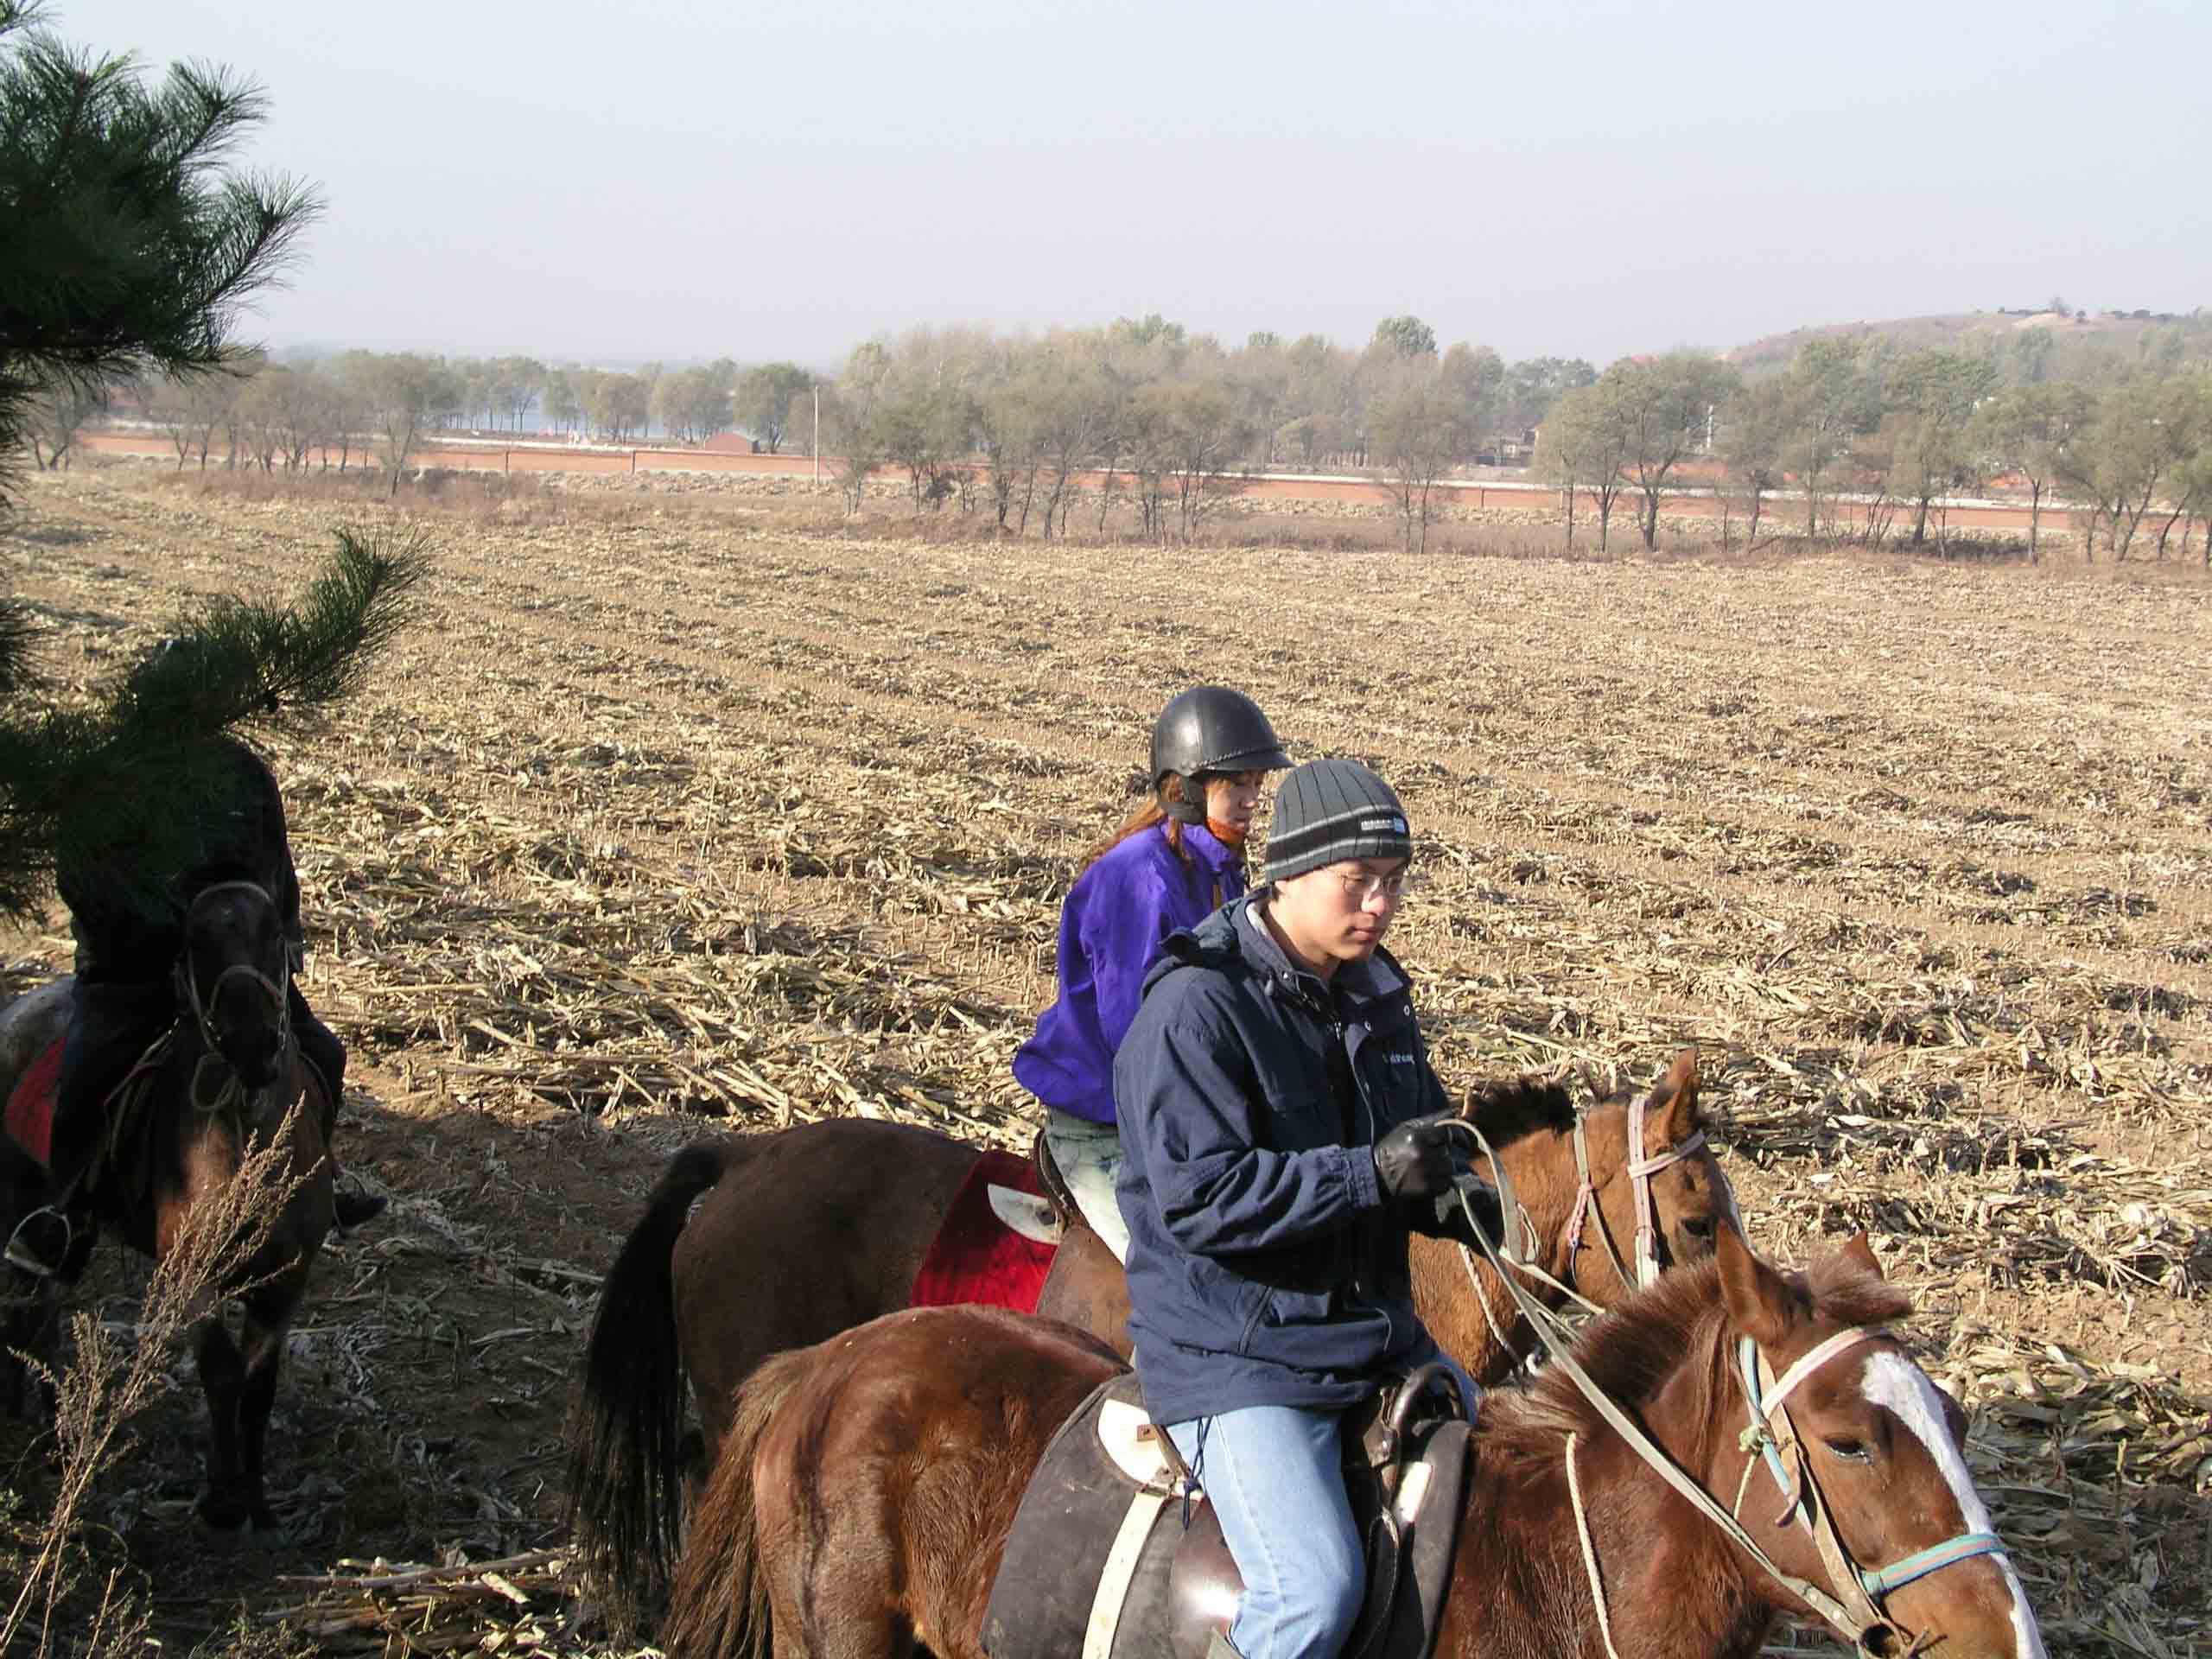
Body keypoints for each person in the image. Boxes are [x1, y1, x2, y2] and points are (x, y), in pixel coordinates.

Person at [1112, 759, 1502, 1659]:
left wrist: (1459, 1203)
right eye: (1356, 882)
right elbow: (1200, 1202)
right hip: (1237, 1354)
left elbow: (1416, 1139)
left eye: (1393, 883)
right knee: (1312, 1593)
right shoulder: (1197, 1008)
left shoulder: (1373, 992)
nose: (1379, 904)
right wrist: (1369, 1176)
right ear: (1288, 873)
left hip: (1370, 1334)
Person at [6, 720, 385, 1276]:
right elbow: (82, 882)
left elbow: (276, 869)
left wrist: (275, 945)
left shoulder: (243, 775)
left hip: (228, 963)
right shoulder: (115, 780)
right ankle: (64, 1213)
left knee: (324, 1052)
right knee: (88, 1071)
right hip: (128, 971)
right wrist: (153, 935)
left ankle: (319, 1174)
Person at [1011, 686, 1290, 1262]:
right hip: (1107, 1124)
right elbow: (1139, 1035)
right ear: (1182, 787)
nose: (1251, 801)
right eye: (1236, 785)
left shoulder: (1218, 866)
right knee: (1177, 1279)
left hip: (1166, 1107)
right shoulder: (1139, 879)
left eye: (1256, 786)